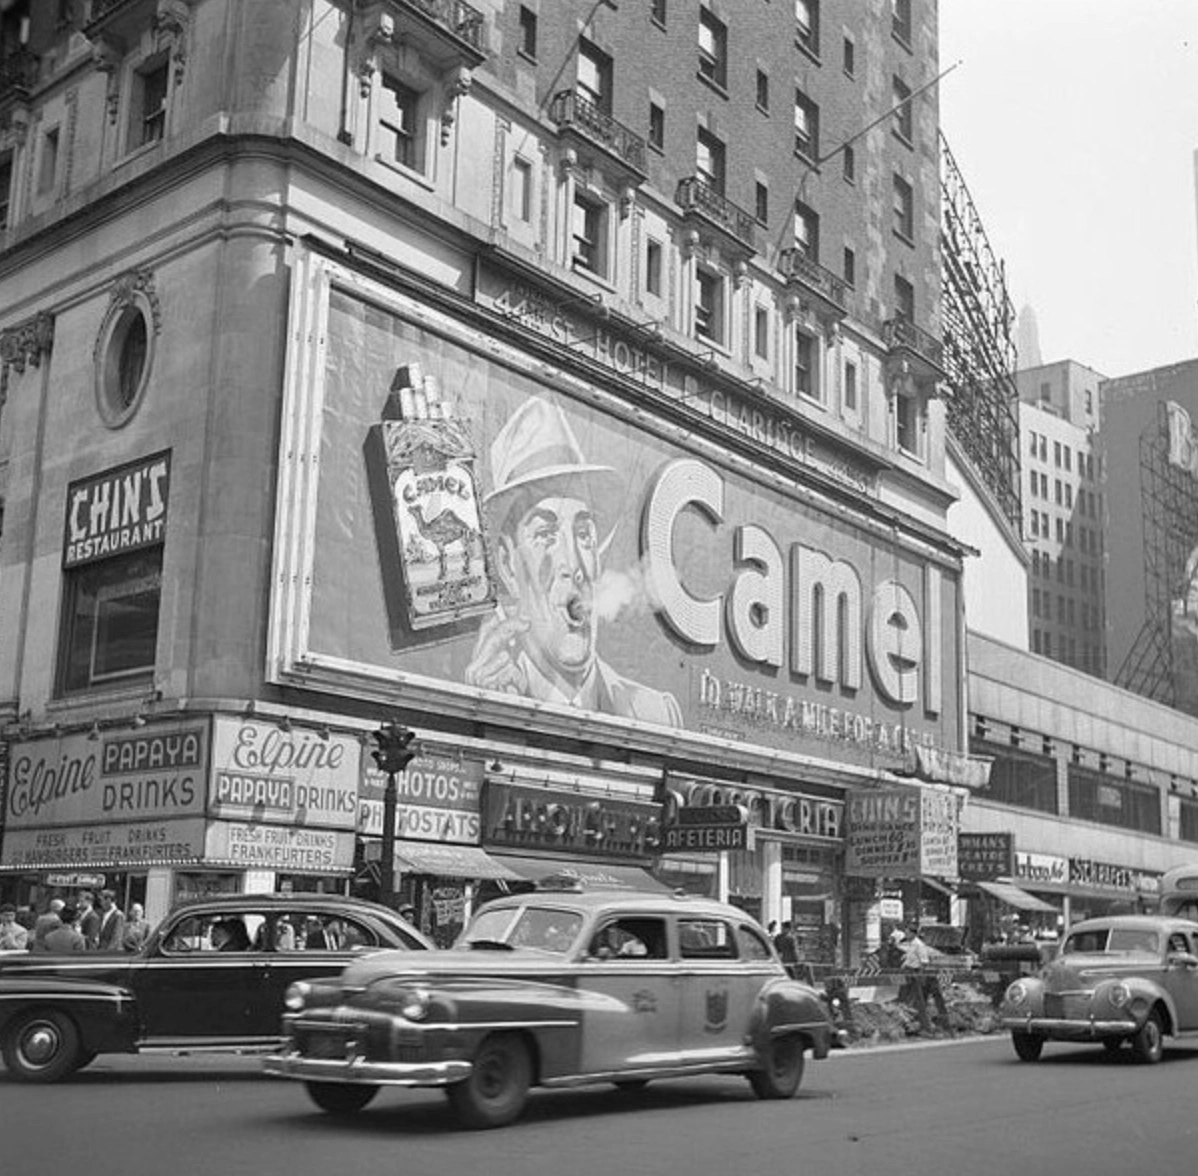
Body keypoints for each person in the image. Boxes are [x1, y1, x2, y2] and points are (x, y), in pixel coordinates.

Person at [465, 397, 683, 726]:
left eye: (583, 533)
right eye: (546, 535)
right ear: (509, 565)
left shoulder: (656, 713)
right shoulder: (489, 687)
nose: (573, 565)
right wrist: (481, 708)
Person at [899, 925, 949, 1034]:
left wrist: (920, 977)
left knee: (916, 999)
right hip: (908, 973)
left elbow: (924, 962)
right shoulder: (911, 945)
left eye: (907, 933)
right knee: (906, 998)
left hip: (915, 975)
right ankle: (912, 1018)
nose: (906, 935)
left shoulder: (919, 945)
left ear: (913, 933)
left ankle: (920, 1022)